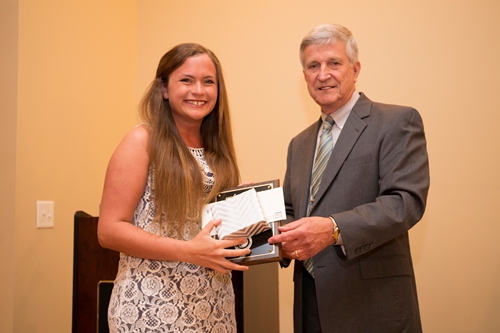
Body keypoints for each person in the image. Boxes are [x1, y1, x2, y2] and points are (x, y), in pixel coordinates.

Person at [268, 24, 430, 333]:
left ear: (355, 69)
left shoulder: (396, 121)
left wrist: (333, 229)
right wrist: (280, 241)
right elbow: (288, 211)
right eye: (313, 66)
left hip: (373, 305)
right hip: (310, 303)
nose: (323, 73)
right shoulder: (299, 144)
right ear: (304, 77)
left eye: (333, 63)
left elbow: (404, 203)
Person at [97, 43, 251, 333]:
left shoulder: (219, 152)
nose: (199, 90)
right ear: (164, 89)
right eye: (186, 80)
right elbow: (109, 229)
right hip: (151, 305)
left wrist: (244, 207)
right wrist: (188, 251)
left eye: (209, 82)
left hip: (213, 308)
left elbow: (206, 231)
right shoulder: (142, 141)